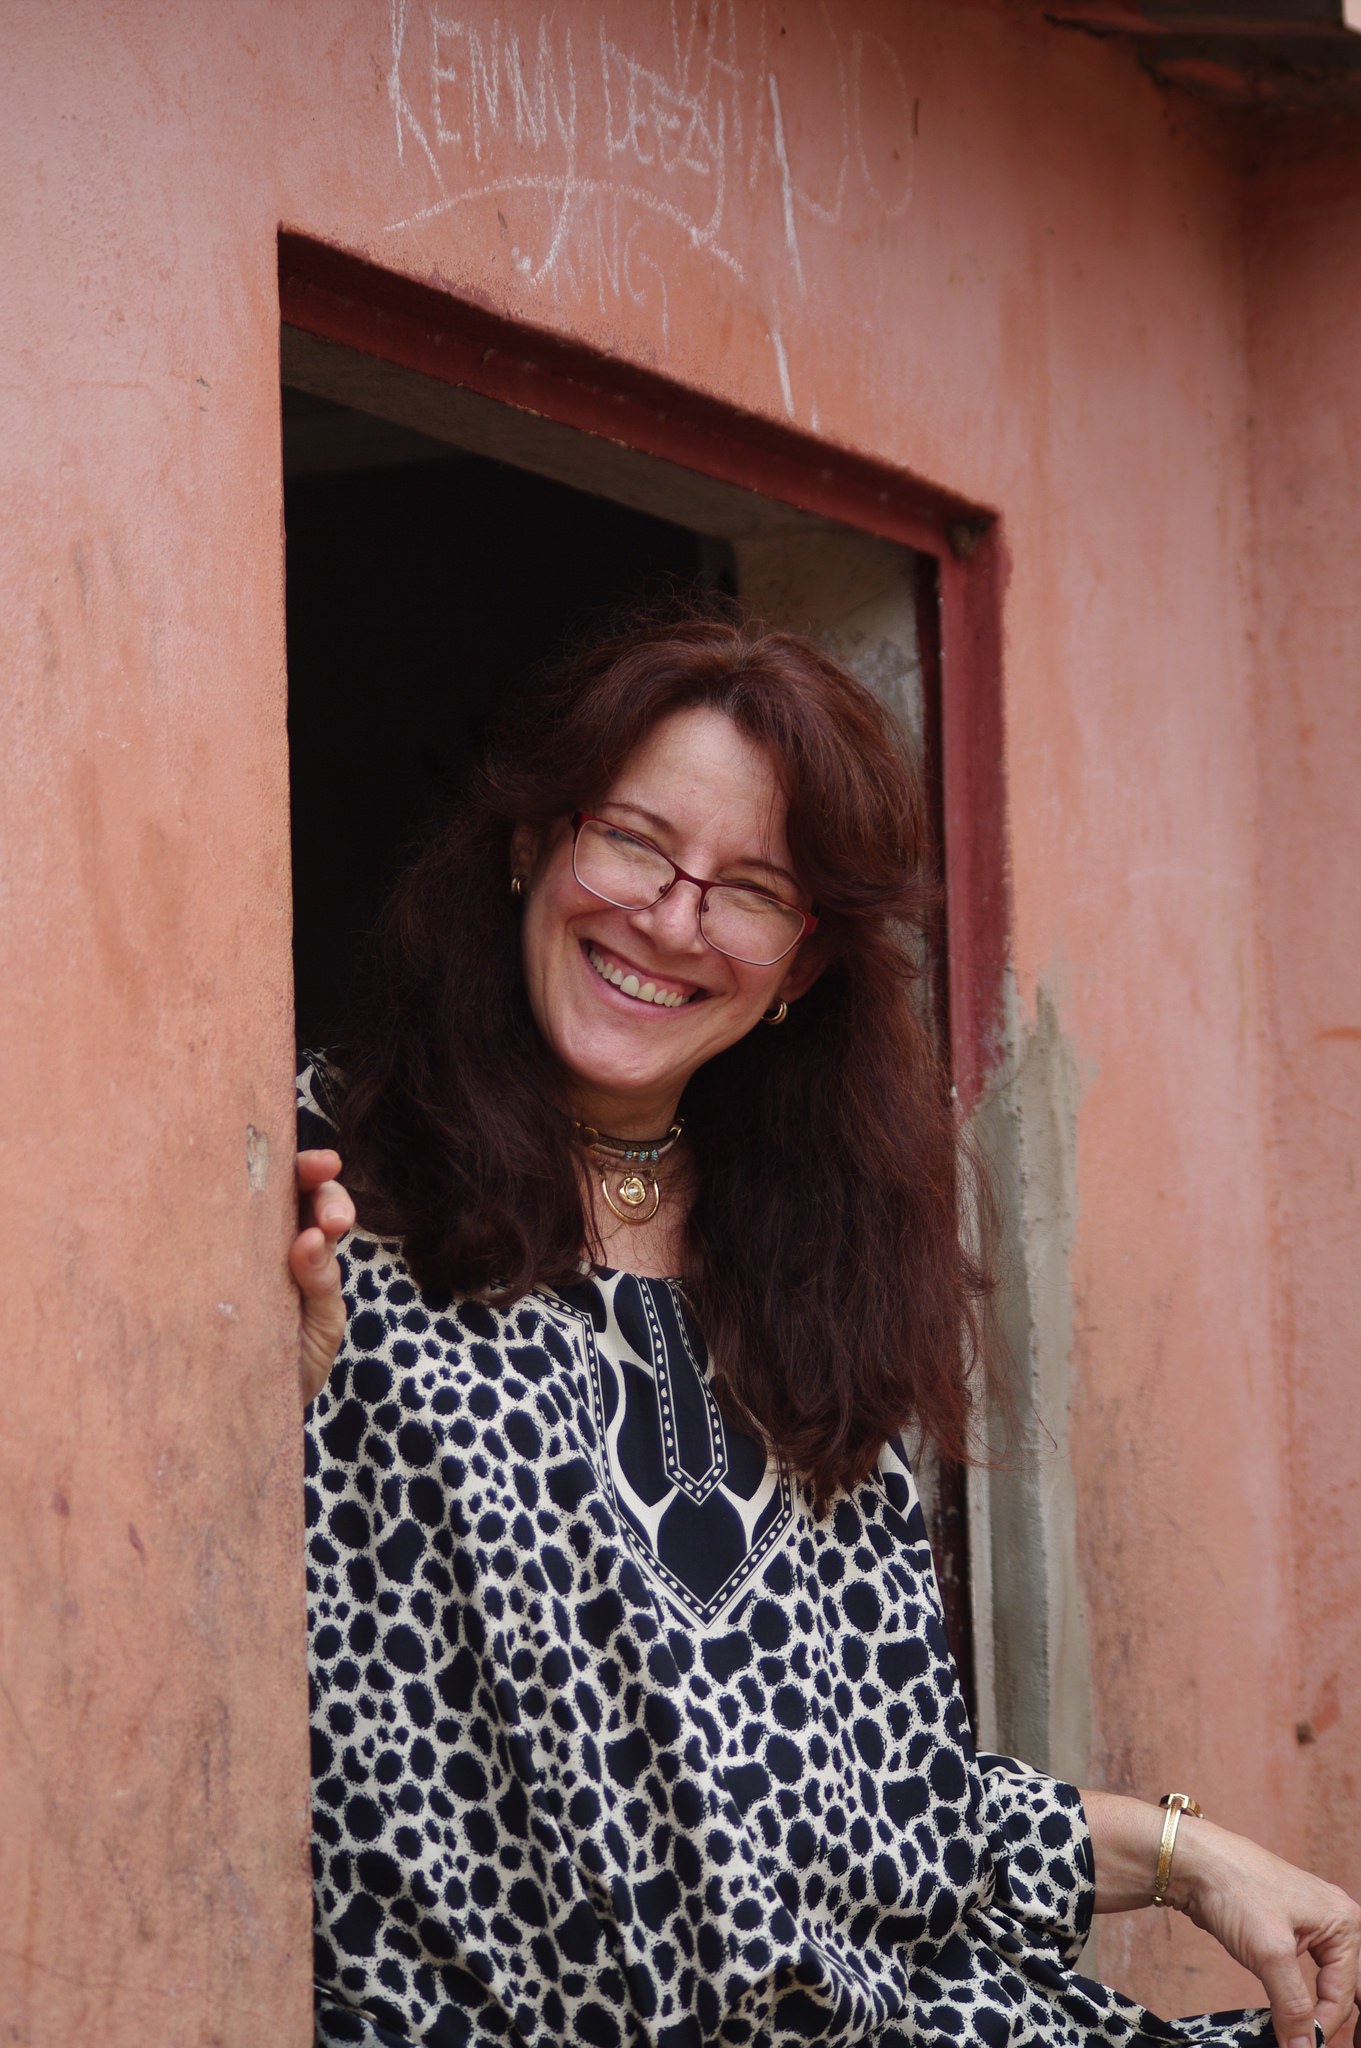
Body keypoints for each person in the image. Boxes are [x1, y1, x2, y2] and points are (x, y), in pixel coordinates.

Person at [290, 617, 1359, 2048]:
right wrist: (264, 1403)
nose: (672, 920)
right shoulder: (321, 1180)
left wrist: (1190, 1858)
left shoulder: (816, 1276)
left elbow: (884, 1822)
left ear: (800, 964)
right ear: (531, 844)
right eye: (632, 843)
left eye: (750, 891)